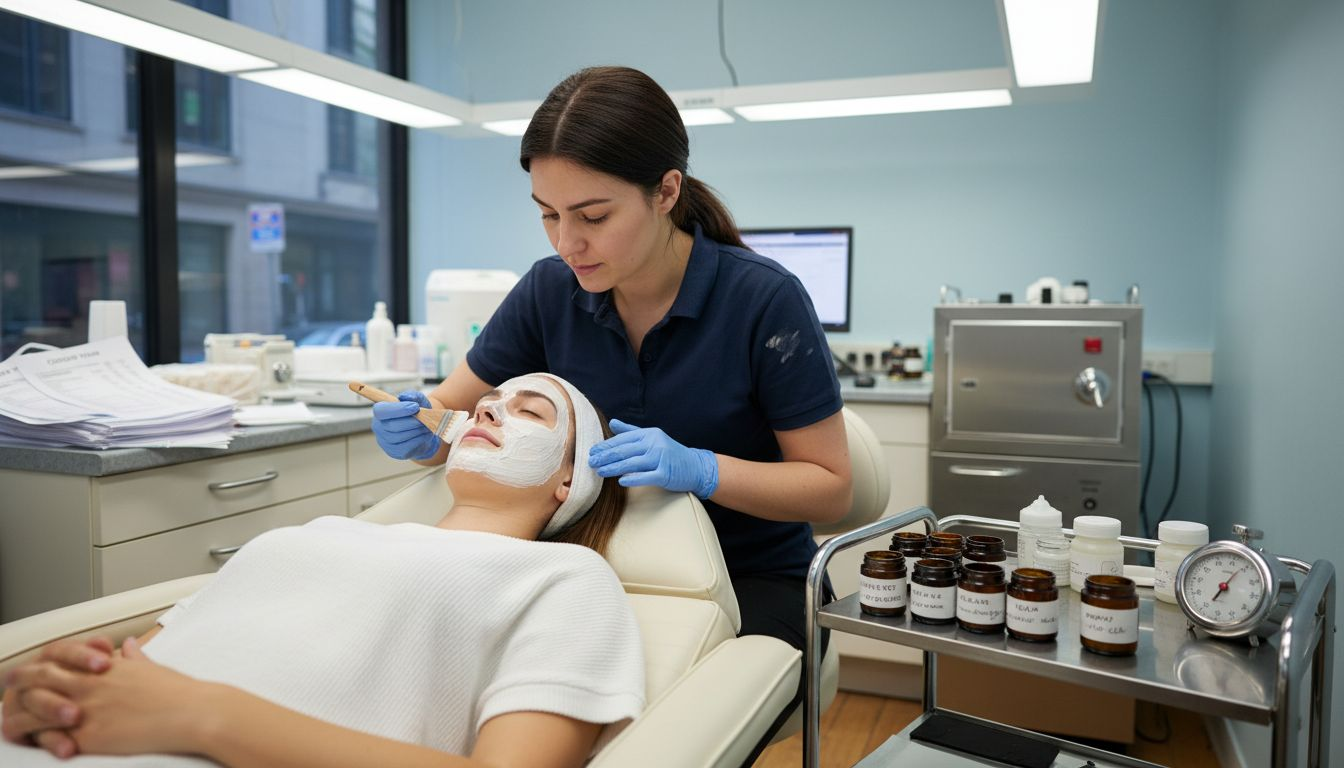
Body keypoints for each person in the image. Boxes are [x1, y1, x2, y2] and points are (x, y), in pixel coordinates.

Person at [373, 65, 851, 655]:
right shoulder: (550, 291)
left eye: (593, 217)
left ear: (667, 192)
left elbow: (830, 489)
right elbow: (452, 411)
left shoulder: (763, 299)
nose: (566, 243)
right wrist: (425, 430)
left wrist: (704, 469)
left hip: (749, 577)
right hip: (589, 560)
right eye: (548, 213)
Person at [1, 374, 643, 767]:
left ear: (570, 480)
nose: (485, 409)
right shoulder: (331, 534)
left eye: (530, 412)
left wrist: (204, 716)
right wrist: (58, 693)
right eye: (487, 401)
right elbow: (141, 676)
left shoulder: (564, 577)